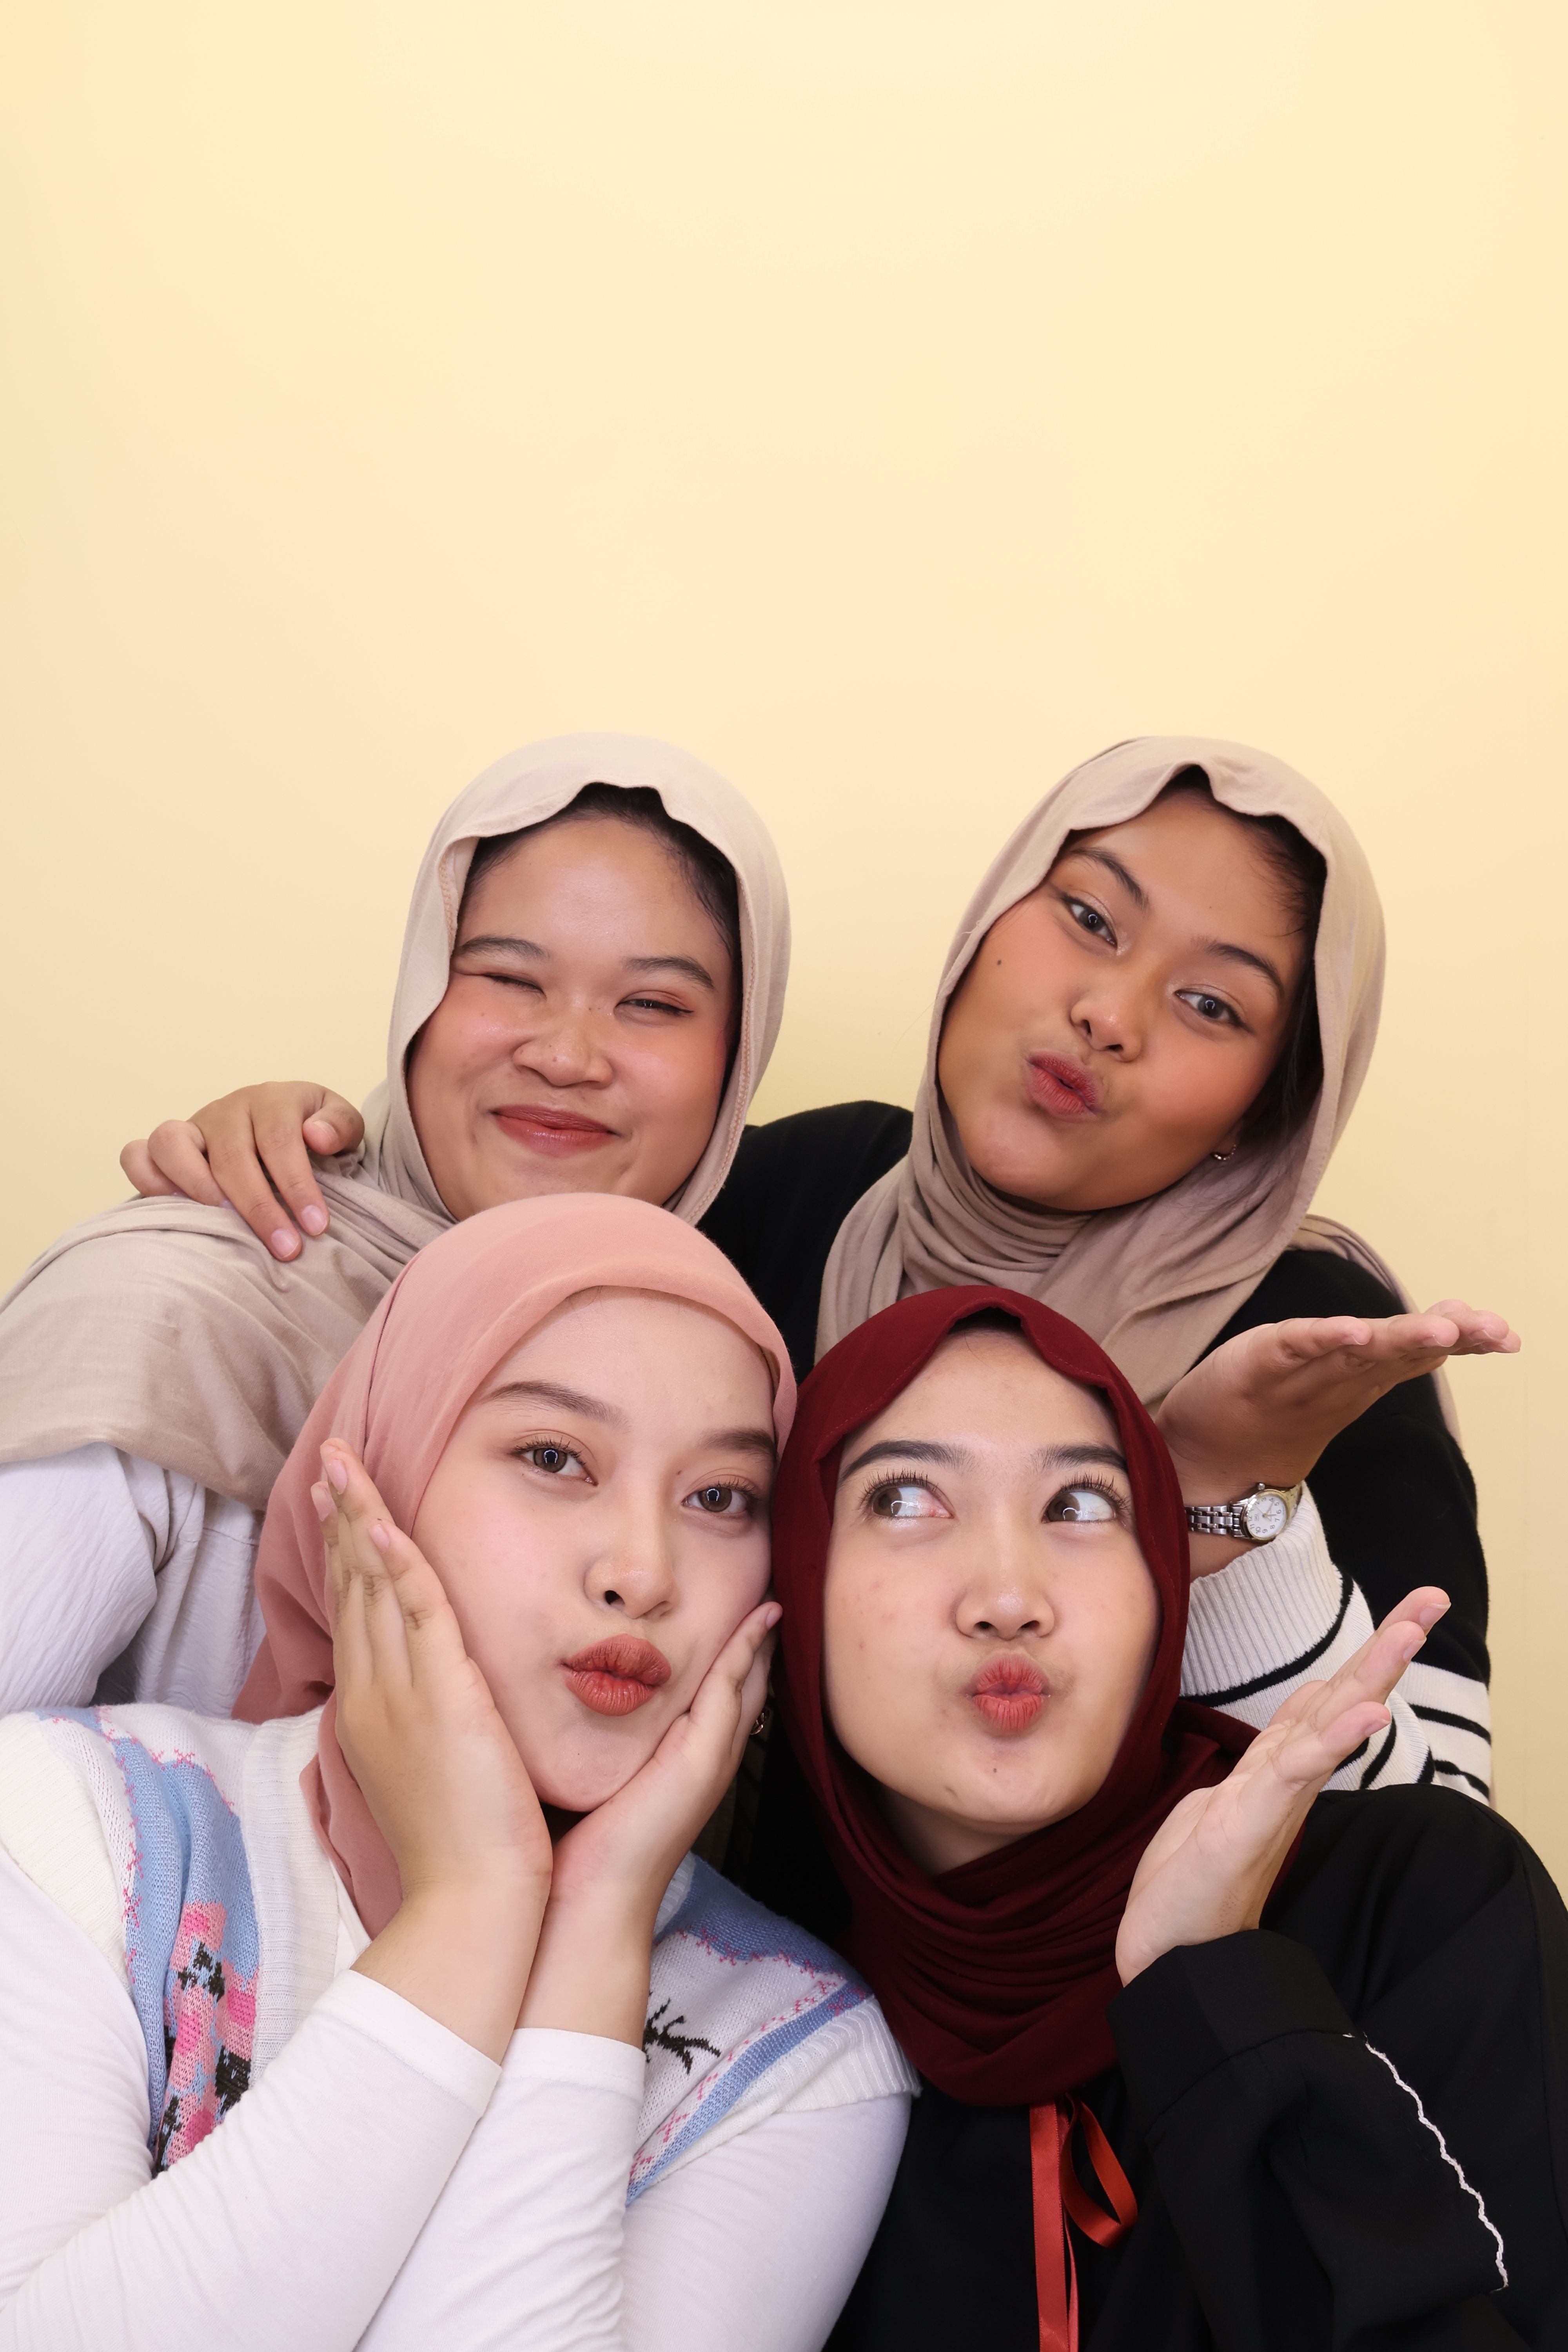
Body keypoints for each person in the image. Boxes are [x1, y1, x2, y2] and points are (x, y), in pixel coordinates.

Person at [131, 740, 1498, 1802]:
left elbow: (1438, 1832)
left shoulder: (1315, 1340)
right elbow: (498, 1302)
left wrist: (1232, 1502)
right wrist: (337, 1157)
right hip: (688, 1971)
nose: (1109, 1013)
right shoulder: (779, 1199)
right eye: (1089, 918)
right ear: (988, 924)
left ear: (1269, 1106)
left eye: (1212, 1003)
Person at [0, 1196, 915, 2352]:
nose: (642, 1572)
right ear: (378, 1480)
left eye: (720, 1497)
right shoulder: (73, 1824)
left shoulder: (794, 2050)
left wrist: (597, 1924)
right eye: (553, 1458)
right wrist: (473, 1903)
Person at [768, 1289, 1568, 2348]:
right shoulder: (756, 2029)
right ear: (795, 1578)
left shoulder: (1423, 1900)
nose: (1008, 1597)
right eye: (905, 1499)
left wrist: (1214, 1992)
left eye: (1081, 1503)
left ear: (1161, 1579)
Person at [0, 734, 789, 1714]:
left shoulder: (720, 1383)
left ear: (738, 1056)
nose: (566, 1056)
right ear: (420, 994)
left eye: (652, 1004)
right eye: (509, 979)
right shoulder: (169, 1316)